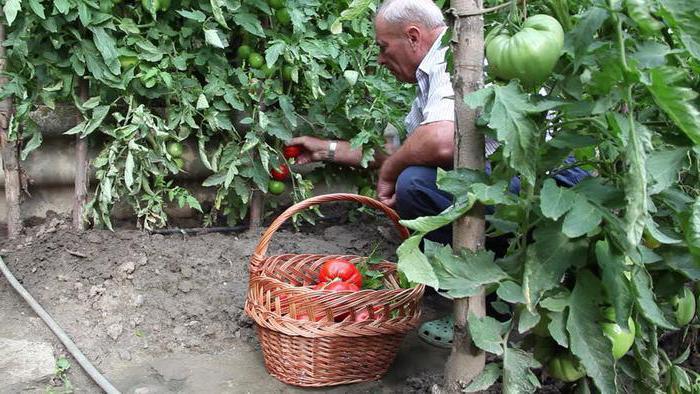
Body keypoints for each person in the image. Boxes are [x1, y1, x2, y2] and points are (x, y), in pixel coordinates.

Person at [286, 0, 587, 347]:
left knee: (413, 183)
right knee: (413, 173)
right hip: (525, 183)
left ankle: (490, 309)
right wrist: (328, 149)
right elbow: (404, 149)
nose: (381, 59)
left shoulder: (454, 59)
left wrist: (391, 172)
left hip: (551, 187)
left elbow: (442, 142)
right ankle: (490, 287)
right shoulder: (432, 75)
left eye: (384, 47)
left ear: (413, 36)